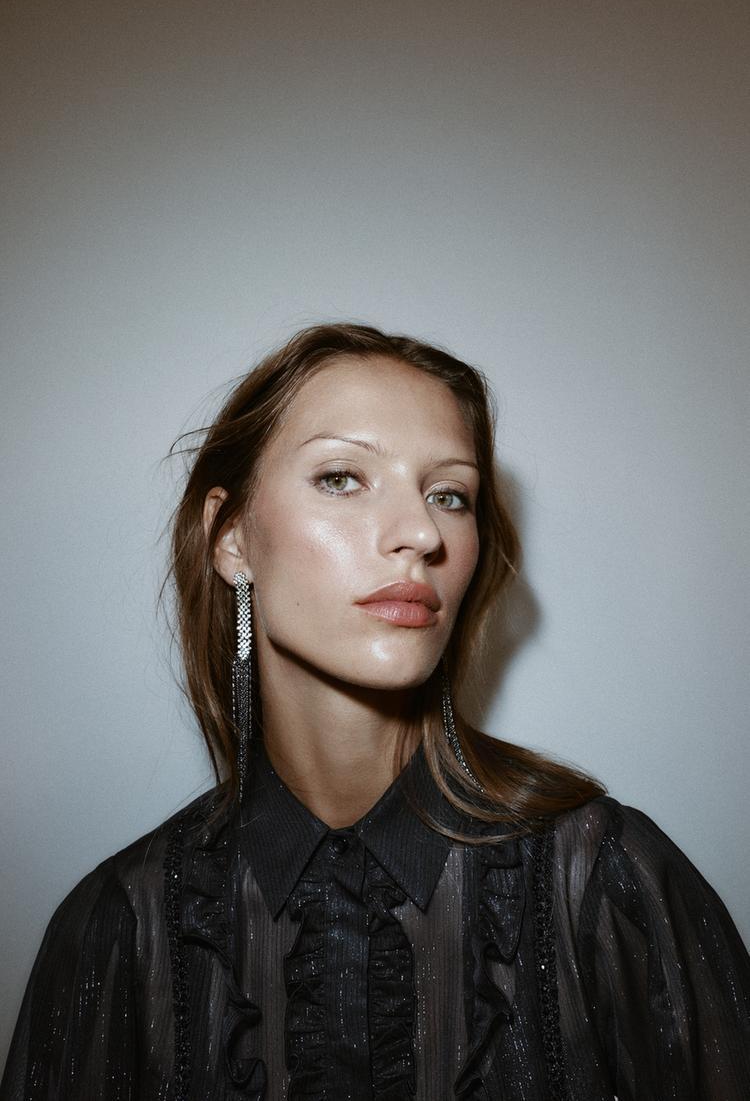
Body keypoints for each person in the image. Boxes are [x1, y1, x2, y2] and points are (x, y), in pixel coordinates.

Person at [1, 322, 748, 1101]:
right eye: (341, 478)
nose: (422, 533)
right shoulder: (119, 927)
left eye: (449, 494)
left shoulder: (605, 883)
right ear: (231, 538)